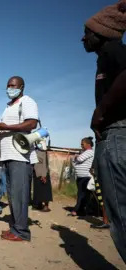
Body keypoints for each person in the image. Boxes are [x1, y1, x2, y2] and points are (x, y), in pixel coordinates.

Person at [82, 1, 126, 260]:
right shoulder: (106, 58)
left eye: (87, 32)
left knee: (121, 212)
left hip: (117, 133)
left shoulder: (113, 50)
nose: (83, 37)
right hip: (114, 134)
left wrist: (100, 113)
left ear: (101, 32)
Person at [0, 76, 39, 242]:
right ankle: (15, 228)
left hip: (20, 156)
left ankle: (21, 232)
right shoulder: (8, 107)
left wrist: (5, 127)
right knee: (13, 195)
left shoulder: (27, 102)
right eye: (7, 85)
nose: (9, 88)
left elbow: (31, 124)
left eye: (13, 85)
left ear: (21, 87)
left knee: (19, 194)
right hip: (8, 155)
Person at [69, 137, 95, 217]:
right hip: (81, 177)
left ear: (88, 144)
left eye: (82, 144)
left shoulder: (89, 152)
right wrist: (76, 158)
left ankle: (77, 210)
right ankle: (83, 210)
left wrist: (76, 157)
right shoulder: (84, 152)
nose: (81, 145)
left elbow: (79, 159)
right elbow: (73, 162)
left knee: (82, 194)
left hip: (86, 176)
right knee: (82, 194)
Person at [31, 148, 52, 212]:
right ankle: (39, 205)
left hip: (43, 173)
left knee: (45, 191)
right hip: (37, 173)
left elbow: (44, 164)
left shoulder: (42, 151)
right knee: (38, 190)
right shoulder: (34, 150)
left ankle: (46, 206)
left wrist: (44, 175)